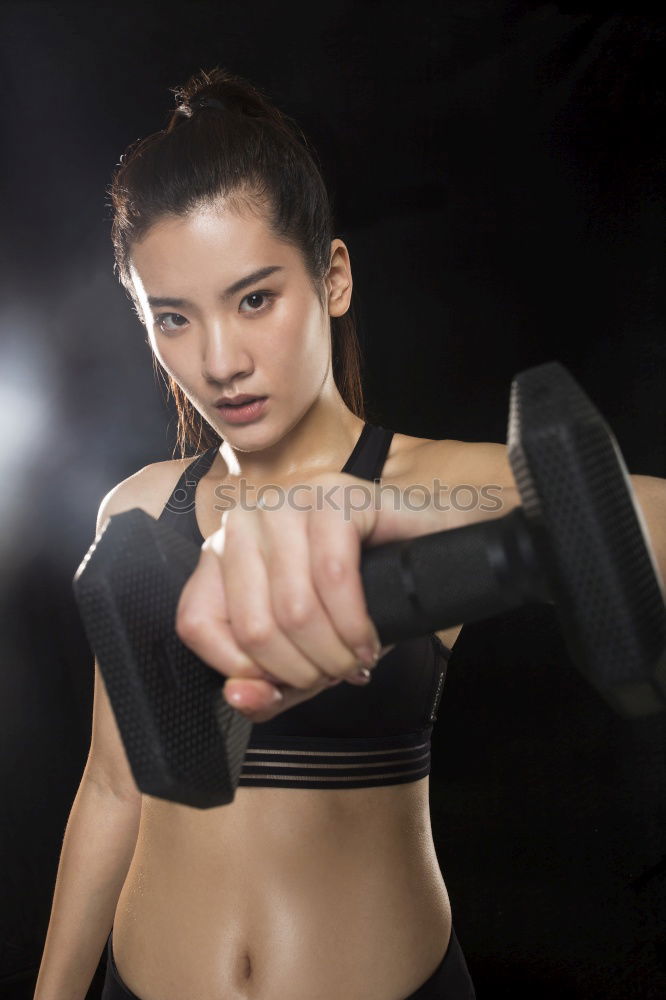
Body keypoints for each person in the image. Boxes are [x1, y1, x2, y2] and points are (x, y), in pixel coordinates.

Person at [34, 66, 665, 1000]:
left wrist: (384, 514)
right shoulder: (136, 510)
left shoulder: (434, 486)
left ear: (332, 277)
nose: (219, 362)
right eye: (175, 317)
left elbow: (637, 523)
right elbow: (113, 788)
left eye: (254, 299)